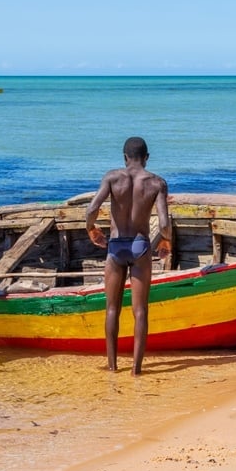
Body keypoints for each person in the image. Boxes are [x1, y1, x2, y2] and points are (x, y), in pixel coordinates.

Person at [86, 137, 172, 376]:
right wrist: (166, 240)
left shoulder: (112, 178)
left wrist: (91, 229)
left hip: (115, 246)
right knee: (140, 311)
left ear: (125, 157)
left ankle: (112, 367)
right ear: (147, 157)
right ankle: (136, 369)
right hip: (140, 246)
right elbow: (164, 222)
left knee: (112, 309)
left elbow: (91, 209)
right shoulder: (157, 183)